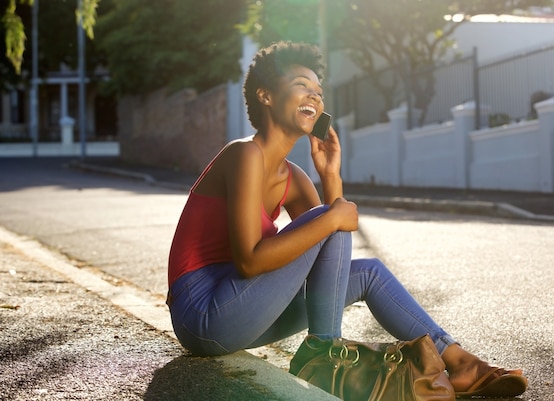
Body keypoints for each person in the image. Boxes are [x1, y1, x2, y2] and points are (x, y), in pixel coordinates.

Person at [167, 41, 528, 398]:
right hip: (202, 312)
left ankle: (460, 360)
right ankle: (325, 356)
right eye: (301, 87)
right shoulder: (244, 154)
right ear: (265, 96)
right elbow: (250, 261)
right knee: (330, 217)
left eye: (318, 92)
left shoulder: (294, 177)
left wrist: (330, 177)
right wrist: (333, 213)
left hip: (246, 313)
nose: (314, 97)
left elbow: (327, 259)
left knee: (367, 271)